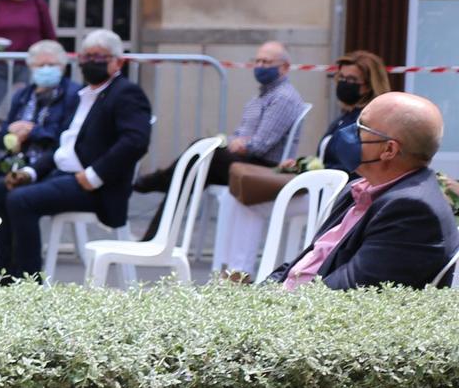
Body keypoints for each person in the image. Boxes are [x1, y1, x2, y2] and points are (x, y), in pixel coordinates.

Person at [0, 27, 152, 279]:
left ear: (118, 62)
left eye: (99, 57)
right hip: (62, 174)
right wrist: (30, 172)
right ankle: (5, 273)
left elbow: (135, 142)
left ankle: (28, 281)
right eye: (86, 57)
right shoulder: (86, 95)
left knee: (21, 200)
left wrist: (94, 175)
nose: (90, 63)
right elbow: (63, 148)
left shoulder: (125, 93)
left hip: (96, 187)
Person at [272, 92, 457, 289]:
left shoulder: (413, 212)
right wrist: (258, 292)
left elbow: (346, 292)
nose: (348, 131)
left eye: (361, 127)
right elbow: (308, 261)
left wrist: (269, 306)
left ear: (389, 150)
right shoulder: (359, 190)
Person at [134, 40, 307, 236]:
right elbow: (240, 136)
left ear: (284, 68)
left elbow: (259, 146)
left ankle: (158, 183)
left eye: (266, 62)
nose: (259, 66)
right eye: (257, 61)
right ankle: (156, 233)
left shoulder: (283, 97)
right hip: (244, 161)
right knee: (193, 168)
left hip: (264, 167)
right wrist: (234, 142)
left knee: (202, 152)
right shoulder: (260, 97)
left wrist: (239, 144)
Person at [225, 50, 391, 209]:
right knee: (241, 195)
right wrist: (301, 164)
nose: (344, 83)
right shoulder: (344, 117)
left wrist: (309, 172)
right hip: (319, 187)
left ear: (369, 86)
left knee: (250, 202)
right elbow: (325, 159)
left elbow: (353, 169)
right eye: (341, 77)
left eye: (352, 80)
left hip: (335, 195)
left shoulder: (366, 122)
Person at [0, 39, 80, 222]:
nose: (46, 69)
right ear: (31, 67)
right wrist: (11, 133)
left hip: (49, 162)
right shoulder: (23, 95)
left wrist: (33, 132)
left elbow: (64, 137)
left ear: (63, 66)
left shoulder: (73, 95)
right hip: (17, 159)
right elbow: (0, 137)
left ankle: (9, 246)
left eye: (51, 64)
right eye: (41, 65)